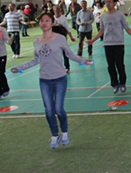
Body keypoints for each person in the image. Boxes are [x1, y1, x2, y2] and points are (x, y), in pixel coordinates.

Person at [11, 13, 92, 148]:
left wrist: (83, 61)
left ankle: (65, 132)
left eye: (47, 20)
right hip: (44, 80)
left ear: (52, 23)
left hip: (60, 78)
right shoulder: (36, 41)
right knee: (49, 110)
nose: (44, 23)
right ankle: (55, 135)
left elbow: (69, 54)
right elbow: (36, 59)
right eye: (41, 21)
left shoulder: (60, 39)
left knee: (58, 109)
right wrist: (20, 67)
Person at [87, 0, 131, 94]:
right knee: (110, 66)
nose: (108, 3)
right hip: (107, 44)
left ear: (115, 3)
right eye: (106, 2)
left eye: (110, 1)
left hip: (118, 43)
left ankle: (122, 83)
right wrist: (93, 40)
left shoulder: (120, 15)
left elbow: (126, 27)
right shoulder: (103, 16)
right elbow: (101, 30)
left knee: (120, 64)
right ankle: (115, 84)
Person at [53, 6, 77, 73]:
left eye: (59, 9)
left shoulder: (63, 18)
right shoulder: (52, 18)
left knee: (64, 53)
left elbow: (67, 28)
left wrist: (71, 37)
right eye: (56, 9)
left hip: (62, 37)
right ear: (53, 10)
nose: (58, 10)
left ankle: (67, 67)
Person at [0, 24, 12, 100]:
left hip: (1, 55)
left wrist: (10, 40)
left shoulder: (2, 30)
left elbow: (7, 41)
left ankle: (5, 88)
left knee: (0, 72)